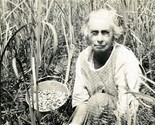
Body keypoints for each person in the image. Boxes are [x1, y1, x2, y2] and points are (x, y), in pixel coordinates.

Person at [69, 9, 143, 125]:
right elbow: (80, 100)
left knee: (98, 100)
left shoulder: (123, 57)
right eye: (94, 33)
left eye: (105, 32)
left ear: (114, 35)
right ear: (87, 35)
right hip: (95, 113)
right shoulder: (84, 58)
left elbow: (128, 101)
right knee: (94, 103)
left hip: (120, 115)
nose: (99, 39)